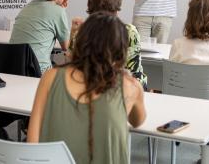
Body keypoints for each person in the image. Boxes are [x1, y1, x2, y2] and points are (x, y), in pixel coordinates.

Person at [27, 12, 146, 164]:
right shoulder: (129, 87)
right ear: (120, 49)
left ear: (82, 41)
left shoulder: (50, 77)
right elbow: (137, 121)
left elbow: (32, 142)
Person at [70, 0, 147, 89]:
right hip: (120, 88)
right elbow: (134, 71)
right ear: (116, 10)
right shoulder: (128, 31)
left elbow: (72, 63)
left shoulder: (83, 30)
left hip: (86, 86)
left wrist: (73, 33)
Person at [10, 0, 70, 72]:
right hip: (37, 70)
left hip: (13, 67)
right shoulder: (58, 11)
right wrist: (62, 11)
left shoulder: (27, 7)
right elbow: (66, 47)